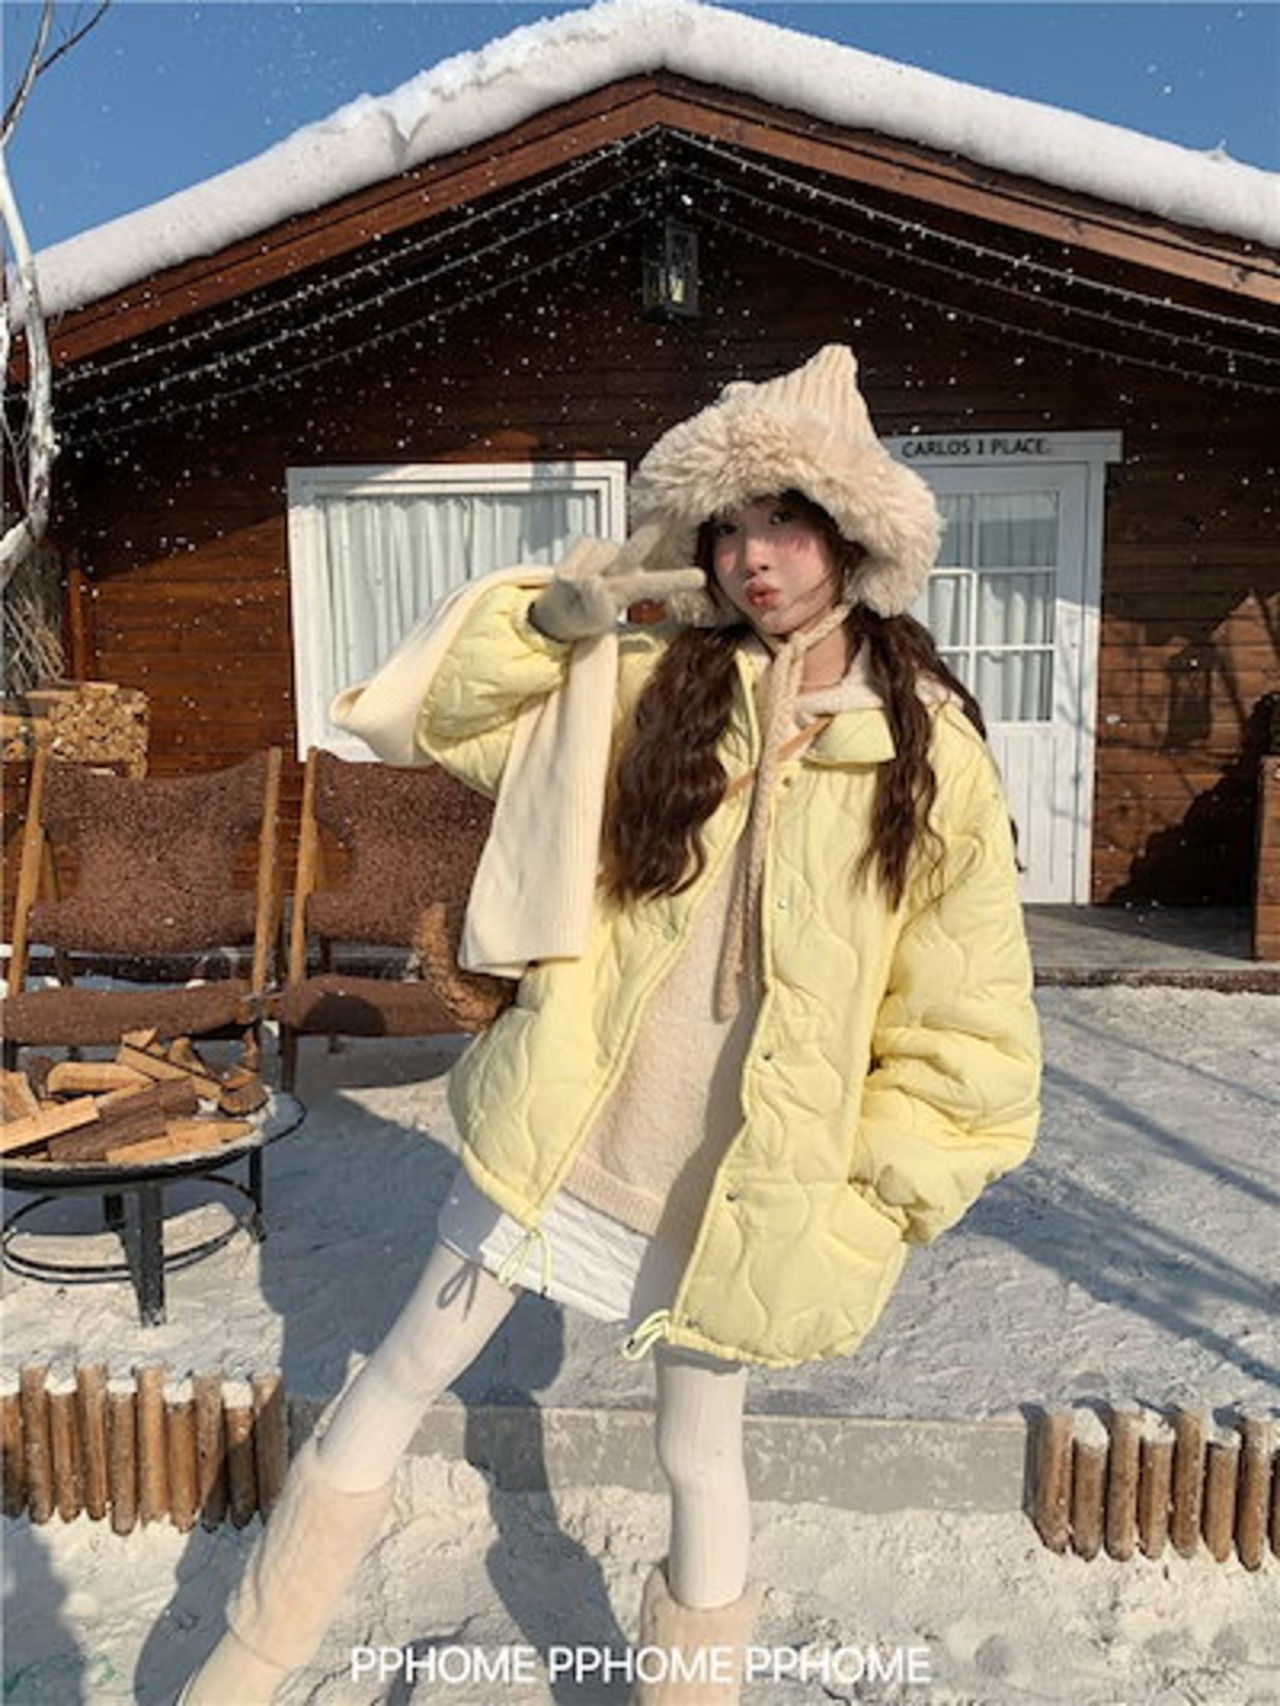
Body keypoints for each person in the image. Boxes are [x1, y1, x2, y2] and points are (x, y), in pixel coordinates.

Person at [179, 345, 1041, 1705]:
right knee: (402, 1370)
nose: (754, 557)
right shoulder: (656, 683)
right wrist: (553, 619)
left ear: (854, 536)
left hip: (741, 1187)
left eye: (787, 519)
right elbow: (440, 719)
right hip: (565, 1126)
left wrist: (867, 1193)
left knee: (700, 1456)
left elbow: (969, 1029)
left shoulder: (927, 752)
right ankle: (245, 1664)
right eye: (732, 525)